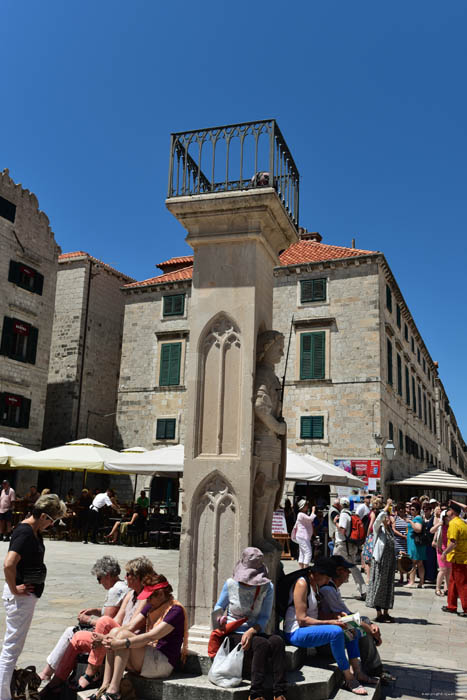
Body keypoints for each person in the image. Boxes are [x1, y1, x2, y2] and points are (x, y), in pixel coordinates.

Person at [40, 556, 155, 693]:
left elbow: (131, 627)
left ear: (137, 576)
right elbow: (117, 620)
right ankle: (56, 681)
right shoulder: (130, 594)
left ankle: (91, 671)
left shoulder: (146, 598)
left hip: (129, 642)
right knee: (76, 638)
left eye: (128, 574)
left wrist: (99, 630)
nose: (125, 577)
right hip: (114, 636)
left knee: (103, 621)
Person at [0, 493, 67, 700]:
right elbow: (8, 564)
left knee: (14, 647)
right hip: (20, 597)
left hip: (25, 597)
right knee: (11, 649)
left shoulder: (32, 531)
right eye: (53, 521)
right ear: (45, 516)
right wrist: (14, 589)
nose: (52, 525)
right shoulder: (25, 532)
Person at [283, 558, 376, 695]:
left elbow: (317, 613)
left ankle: (357, 671)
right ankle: (348, 678)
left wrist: (336, 615)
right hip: (295, 632)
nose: (328, 582)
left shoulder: (316, 585)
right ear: (318, 573)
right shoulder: (302, 584)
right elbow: (302, 619)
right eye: (327, 578)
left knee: (350, 627)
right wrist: (331, 622)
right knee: (336, 632)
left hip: (308, 629)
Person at [213, 547, 287, 700]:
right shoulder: (230, 584)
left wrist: (252, 630)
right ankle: (255, 693)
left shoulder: (267, 587)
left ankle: (279, 691)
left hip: (255, 630)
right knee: (261, 644)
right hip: (234, 631)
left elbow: (265, 616)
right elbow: (219, 607)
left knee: (278, 641)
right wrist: (220, 618)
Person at [39, 555, 128, 681]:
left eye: (99, 578)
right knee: (72, 631)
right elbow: (111, 612)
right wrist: (94, 611)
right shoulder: (123, 586)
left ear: (107, 575)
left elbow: (106, 621)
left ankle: (47, 673)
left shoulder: (115, 590)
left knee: (71, 632)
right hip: (117, 632)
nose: (99, 582)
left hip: (107, 636)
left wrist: (87, 620)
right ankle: (51, 674)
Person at [99, 573, 187, 699]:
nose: (147, 600)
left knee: (122, 637)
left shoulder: (175, 611)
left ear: (161, 594)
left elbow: (151, 636)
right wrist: (105, 638)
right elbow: (130, 627)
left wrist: (121, 643)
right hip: (148, 655)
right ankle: (105, 686)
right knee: (115, 633)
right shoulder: (152, 605)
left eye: (150, 597)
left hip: (162, 663)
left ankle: (113, 691)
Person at [319, 555, 395, 684]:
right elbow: (347, 618)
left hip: (338, 626)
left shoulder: (333, 589)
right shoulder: (328, 590)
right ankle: (374, 669)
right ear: (338, 571)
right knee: (362, 631)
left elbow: (348, 614)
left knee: (364, 621)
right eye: (346, 570)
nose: (349, 573)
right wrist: (370, 629)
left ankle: (373, 666)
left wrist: (371, 625)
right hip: (329, 640)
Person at [252, 330, 287, 552]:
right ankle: (257, 535)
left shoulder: (271, 376)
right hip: (265, 440)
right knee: (262, 489)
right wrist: (277, 426)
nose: (282, 353)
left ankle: (265, 533)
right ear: (266, 350)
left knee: (272, 489)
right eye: (278, 348)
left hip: (272, 442)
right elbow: (260, 407)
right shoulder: (264, 375)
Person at [366, 499, 396, 623]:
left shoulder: (390, 532)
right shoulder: (378, 529)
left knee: (389, 586)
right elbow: (378, 519)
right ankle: (379, 613)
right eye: (387, 517)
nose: (389, 519)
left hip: (390, 563)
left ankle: (386, 612)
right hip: (380, 562)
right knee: (379, 585)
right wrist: (387, 506)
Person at [333, 497, 367, 599]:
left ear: (341, 505)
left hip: (342, 546)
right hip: (348, 546)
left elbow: (342, 530)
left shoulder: (343, 515)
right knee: (353, 568)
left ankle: (331, 589)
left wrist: (335, 522)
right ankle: (363, 591)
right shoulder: (350, 514)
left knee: (333, 566)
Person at [441, 502, 467, 617]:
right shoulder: (462, 523)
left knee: (462, 584)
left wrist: (444, 552)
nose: (447, 511)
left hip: (459, 558)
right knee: (453, 582)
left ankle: (466, 608)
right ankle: (451, 606)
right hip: (461, 558)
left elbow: (453, 542)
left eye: (449, 509)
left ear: (453, 512)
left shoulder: (454, 524)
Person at [431, 508, 451, 596]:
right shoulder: (441, 525)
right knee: (442, 570)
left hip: (450, 549)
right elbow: (431, 531)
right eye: (447, 516)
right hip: (441, 549)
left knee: (449, 570)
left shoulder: (452, 525)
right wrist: (439, 524)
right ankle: (437, 588)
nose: (449, 518)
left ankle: (447, 589)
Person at [405, 501, 426, 588]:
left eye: (413, 509)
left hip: (415, 543)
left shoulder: (417, 518)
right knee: (420, 563)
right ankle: (421, 582)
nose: (411, 511)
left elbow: (418, 529)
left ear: (417, 510)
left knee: (413, 562)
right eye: (410, 509)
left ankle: (412, 582)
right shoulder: (416, 518)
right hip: (414, 543)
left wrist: (410, 521)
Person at [293, 499, 316, 568]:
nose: (307, 506)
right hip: (303, 536)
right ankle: (305, 569)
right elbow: (310, 519)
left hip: (301, 536)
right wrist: (313, 511)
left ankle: (302, 569)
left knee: (302, 553)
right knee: (308, 552)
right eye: (306, 505)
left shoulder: (301, 514)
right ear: (302, 506)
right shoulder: (301, 514)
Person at [392, 502, 409, 584]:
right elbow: (394, 529)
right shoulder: (395, 518)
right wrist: (402, 535)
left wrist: (407, 536)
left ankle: (408, 576)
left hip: (407, 541)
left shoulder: (409, 517)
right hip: (398, 541)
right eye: (399, 510)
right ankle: (401, 576)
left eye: (402, 509)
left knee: (408, 558)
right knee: (399, 559)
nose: (401, 511)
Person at [421, 501, 437, 583]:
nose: (425, 510)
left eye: (427, 509)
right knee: (423, 561)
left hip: (430, 542)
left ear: (431, 510)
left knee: (431, 560)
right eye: (424, 509)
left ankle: (432, 577)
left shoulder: (434, 518)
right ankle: (423, 577)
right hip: (422, 542)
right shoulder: (421, 518)